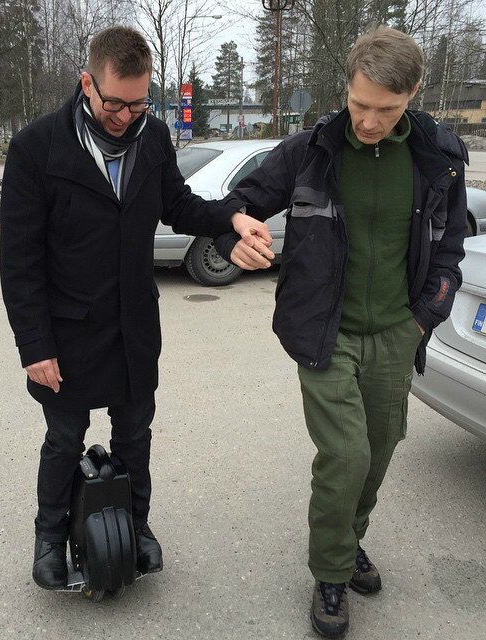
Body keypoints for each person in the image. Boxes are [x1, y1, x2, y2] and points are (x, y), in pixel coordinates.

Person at [214, 26, 467, 638]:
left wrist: (422, 320)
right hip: (325, 334)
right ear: (346, 87)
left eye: (388, 109)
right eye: (360, 105)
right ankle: (330, 572)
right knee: (346, 454)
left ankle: (348, 542)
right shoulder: (310, 151)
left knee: (378, 452)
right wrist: (234, 236)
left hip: (398, 333)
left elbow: (450, 250)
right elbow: (235, 205)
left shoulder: (439, 156)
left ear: (413, 94)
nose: (370, 122)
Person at [0, 26, 273, 591]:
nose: (126, 116)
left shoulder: (152, 138)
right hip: (67, 332)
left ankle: (138, 524)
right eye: (115, 103)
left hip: (133, 327)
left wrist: (231, 218)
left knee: (135, 436)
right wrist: (34, 345)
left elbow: (178, 204)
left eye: (139, 103)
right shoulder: (36, 147)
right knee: (63, 439)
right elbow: (19, 261)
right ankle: (49, 537)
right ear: (87, 84)